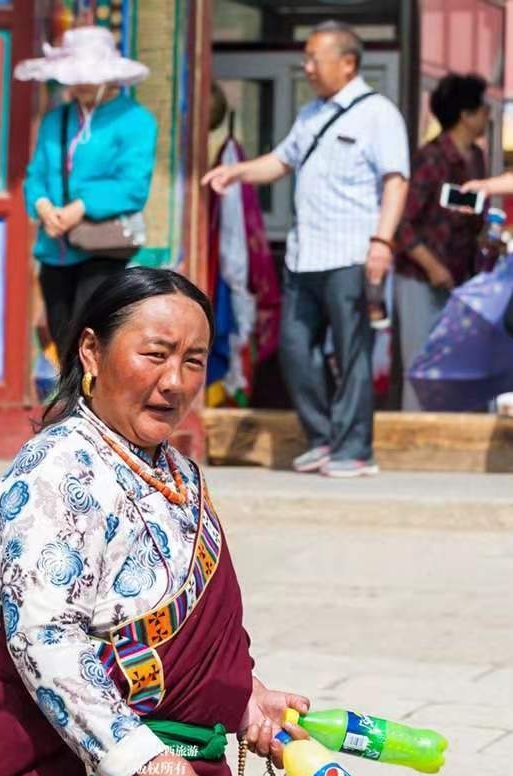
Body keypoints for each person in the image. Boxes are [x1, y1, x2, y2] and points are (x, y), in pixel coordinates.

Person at [0, 266, 311, 776]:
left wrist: (242, 697)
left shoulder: (177, 471)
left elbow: (165, 627)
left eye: (195, 361)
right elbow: (44, 637)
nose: (174, 381)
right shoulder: (53, 472)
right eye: (155, 354)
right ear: (93, 352)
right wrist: (136, 759)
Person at [202, 21, 409, 478]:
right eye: (307, 57)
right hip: (304, 255)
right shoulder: (311, 113)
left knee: (352, 351)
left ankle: (355, 449)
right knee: (295, 347)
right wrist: (234, 174)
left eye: (316, 58)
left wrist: (382, 241)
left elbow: (396, 181)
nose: (307, 66)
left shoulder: (379, 114)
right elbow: (280, 161)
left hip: (353, 252)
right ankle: (322, 437)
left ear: (348, 63)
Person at [18, 26, 158, 352]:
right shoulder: (56, 120)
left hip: (100, 247)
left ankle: (89, 401)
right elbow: (35, 174)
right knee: (62, 337)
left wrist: (80, 207)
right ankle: (73, 400)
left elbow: (133, 186)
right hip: (54, 247)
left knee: (90, 335)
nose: (80, 82)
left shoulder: (137, 121)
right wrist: (42, 206)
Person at [394, 73, 489, 411]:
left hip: (460, 281)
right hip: (420, 280)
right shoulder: (430, 159)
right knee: (420, 363)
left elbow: (475, 218)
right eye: (483, 108)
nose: (488, 114)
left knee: (457, 364)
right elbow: (401, 223)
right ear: (466, 114)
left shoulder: (476, 159)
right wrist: (433, 267)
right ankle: (412, 441)